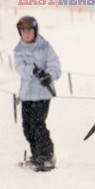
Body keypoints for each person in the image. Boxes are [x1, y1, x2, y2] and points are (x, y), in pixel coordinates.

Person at [14, 16, 61, 172]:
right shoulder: (19, 50)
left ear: (35, 31)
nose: (27, 34)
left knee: (37, 124)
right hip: (27, 95)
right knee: (27, 127)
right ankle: (36, 154)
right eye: (23, 31)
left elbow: (55, 67)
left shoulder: (45, 47)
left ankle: (47, 156)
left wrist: (48, 75)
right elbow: (20, 68)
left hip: (42, 95)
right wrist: (33, 71)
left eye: (29, 30)